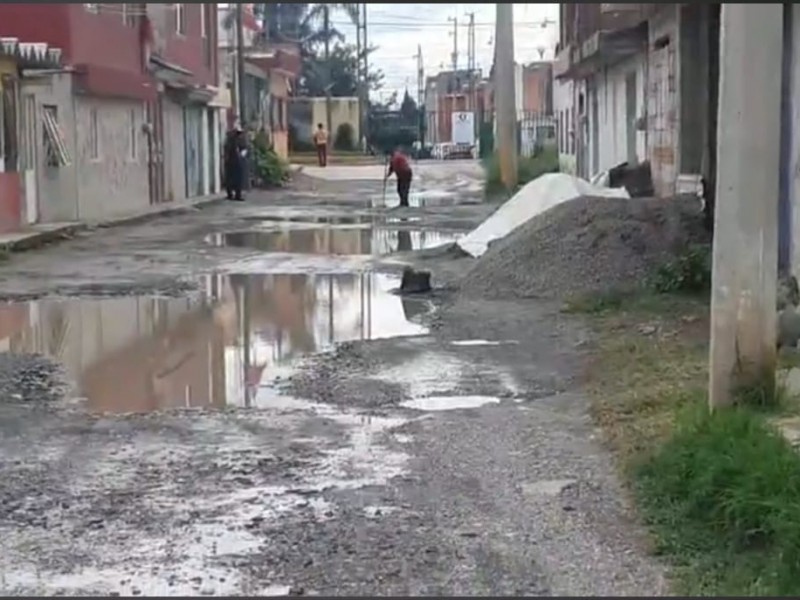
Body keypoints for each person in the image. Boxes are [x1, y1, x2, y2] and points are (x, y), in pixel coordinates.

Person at [223, 123, 248, 201]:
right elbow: (227, 150)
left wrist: (242, 154)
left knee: (236, 180)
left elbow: (244, 149)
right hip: (232, 163)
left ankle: (236, 195)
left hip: (237, 163)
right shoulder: (230, 141)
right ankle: (232, 194)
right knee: (231, 180)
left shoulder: (240, 140)